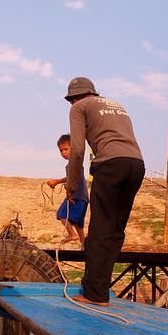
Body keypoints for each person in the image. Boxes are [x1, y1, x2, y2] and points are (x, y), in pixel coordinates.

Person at [64, 77, 145, 306]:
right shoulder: (116, 105)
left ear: (73, 98)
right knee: (115, 230)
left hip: (110, 165)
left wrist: (72, 185)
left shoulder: (79, 108)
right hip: (136, 165)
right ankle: (100, 288)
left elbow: (77, 150)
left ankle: (94, 294)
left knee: (99, 229)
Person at [47, 134, 89, 245]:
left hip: (76, 196)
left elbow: (72, 179)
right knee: (78, 223)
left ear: (74, 148)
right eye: (61, 150)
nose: (63, 153)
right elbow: (72, 178)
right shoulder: (74, 164)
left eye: (66, 149)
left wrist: (68, 190)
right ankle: (84, 246)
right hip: (83, 197)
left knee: (61, 214)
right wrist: (58, 182)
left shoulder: (73, 164)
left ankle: (72, 234)